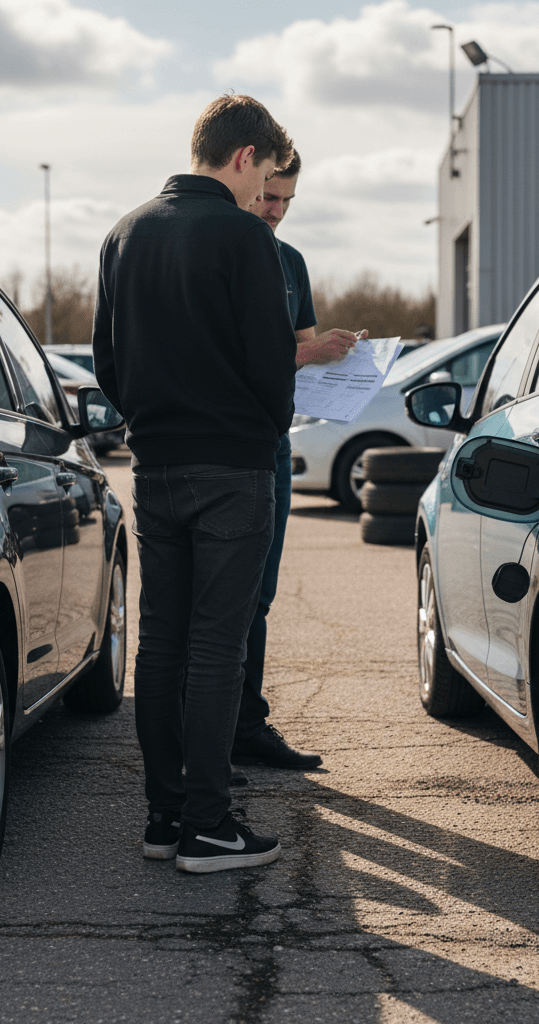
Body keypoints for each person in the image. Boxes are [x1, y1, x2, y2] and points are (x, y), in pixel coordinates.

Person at [92, 95, 296, 874]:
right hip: (234, 467)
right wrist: (258, 421)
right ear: (244, 156)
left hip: (154, 463)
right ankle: (209, 827)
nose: (263, 197)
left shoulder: (124, 232)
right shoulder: (245, 237)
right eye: (265, 177)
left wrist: (150, 414)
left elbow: (107, 360)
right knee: (218, 644)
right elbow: (271, 366)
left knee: (163, 638)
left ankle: (164, 816)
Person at [230, 150, 365, 771]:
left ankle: (245, 725)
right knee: (215, 601)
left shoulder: (291, 263)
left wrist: (340, 356)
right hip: (226, 448)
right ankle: (207, 733)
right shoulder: (221, 250)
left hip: (276, 443)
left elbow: (300, 351)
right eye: (268, 195)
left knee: (259, 595)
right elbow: (235, 354)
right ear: (246, 181)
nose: (275, 211)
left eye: (286, 200)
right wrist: (304, 354)